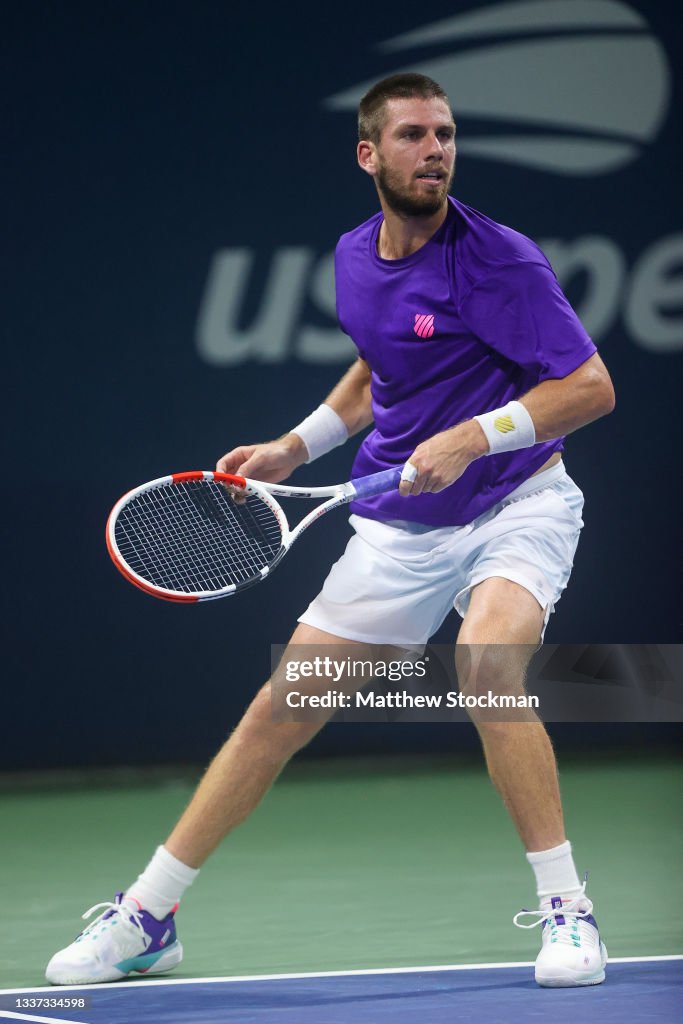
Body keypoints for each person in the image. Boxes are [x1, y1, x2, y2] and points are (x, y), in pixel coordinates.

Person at [47, 73, 615, 989]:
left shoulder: (498, 259)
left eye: (446, 135)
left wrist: (475, 436)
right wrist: (292, 446)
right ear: (369, 154)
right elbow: (374, 370)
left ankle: (567, 911)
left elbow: (589, 388)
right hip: (400, 527)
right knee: (280, 707)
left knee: (487, 668)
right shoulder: (357, 256)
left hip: (518, 504)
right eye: (414, 136)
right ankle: (148, 915)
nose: (436, 151)